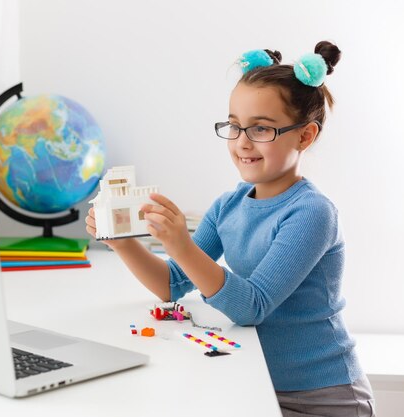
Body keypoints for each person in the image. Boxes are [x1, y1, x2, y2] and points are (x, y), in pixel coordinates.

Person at [85, 41, 376, 417]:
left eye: (261, 129)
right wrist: (122, 243)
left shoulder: (312, 214)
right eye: (235, 126)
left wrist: (181, 246)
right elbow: (172, 283)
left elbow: (251, 307)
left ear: (305, 136)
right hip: (259, 383)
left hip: (322, 396)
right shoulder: (229, 205)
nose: (242, 142)